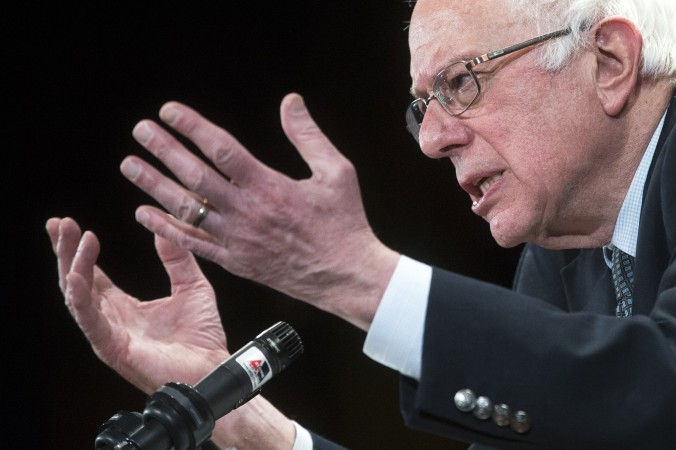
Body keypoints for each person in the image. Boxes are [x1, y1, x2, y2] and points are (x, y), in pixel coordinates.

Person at [48, 0, 676, 448]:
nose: (430, 139)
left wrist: (360, 279)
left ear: (610, 59)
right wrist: (241, 421)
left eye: (461, 81)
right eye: (422, 105)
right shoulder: (561, 252)